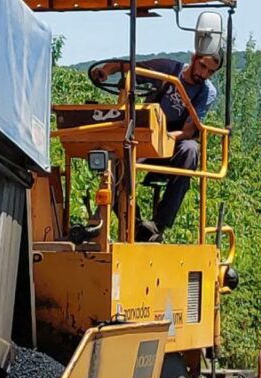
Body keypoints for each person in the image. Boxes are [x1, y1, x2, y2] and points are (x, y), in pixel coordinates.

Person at [90, 51, 220, 241]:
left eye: (210, 72)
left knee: (191, 150)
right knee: (119, 157)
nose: (204, 74)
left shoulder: (207, 92)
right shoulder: (168, 70)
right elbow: (127, 66)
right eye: (202, 66)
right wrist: (105, 71)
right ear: (193, 58)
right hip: (145, 136)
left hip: (174, 141)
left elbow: (187, 131)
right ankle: (126, 223)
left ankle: (159, 225)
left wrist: (163, 139)